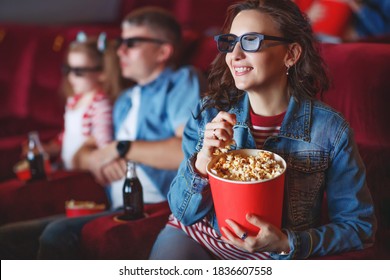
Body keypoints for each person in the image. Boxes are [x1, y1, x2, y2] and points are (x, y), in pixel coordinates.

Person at [150, 0, 376, 260]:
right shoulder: (208, 113)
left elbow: (359, 227)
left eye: (251, 41)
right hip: (196, 239)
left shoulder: (331, 131)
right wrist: (202, 162)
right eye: (230, 42)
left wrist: (286, 242)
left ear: (291, 54)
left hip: (273, 256)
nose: (234, 55)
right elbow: (183, 212)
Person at [0, 7, 203, 260]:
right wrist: (94, 157)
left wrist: (119, 148)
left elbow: (187, 151)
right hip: (115, 203)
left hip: (157, 206)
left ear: (163, 51)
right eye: (120, 43)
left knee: (57, 234)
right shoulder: (124, 100)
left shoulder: (181, 81)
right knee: (9, 237)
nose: (119, 51)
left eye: (131, 43)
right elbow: (88, 152)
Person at [22, 32, 121, 170]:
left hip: (83, 173)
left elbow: (104, 145)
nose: (71, 77)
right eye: (67, 69)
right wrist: (50, 148)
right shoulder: (74, 100)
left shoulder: (100, 104)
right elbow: (68, 135)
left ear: (102, 73)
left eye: (79, 71)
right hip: (66, 166)